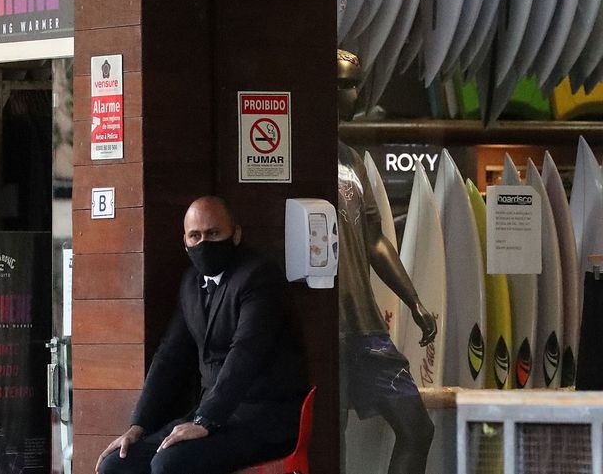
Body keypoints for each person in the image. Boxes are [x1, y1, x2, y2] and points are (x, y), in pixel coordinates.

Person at [96, 196, 308, 474]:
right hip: (211, 415)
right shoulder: (191, 284)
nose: (204, 243)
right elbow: (169, 358)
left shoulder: (259, 277)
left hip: (263, 418)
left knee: (170, 464)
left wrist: (205, 421)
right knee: (116, 465)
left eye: (214, 233)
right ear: (185, 241)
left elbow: (245, 353)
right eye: (195, 236)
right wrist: (138, 426)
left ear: (236, 234)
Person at [336, 49, 436, 474]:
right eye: (343, 85)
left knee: (417, 429)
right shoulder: (296, 159)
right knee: (330, 436)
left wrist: (413, 300)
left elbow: (375, 240)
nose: (353, 95)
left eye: (356, 84)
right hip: (328, 330)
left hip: (366, 328)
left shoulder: (352, 160)